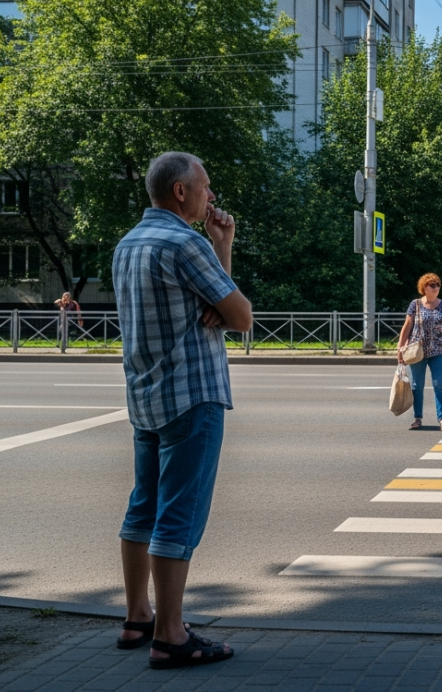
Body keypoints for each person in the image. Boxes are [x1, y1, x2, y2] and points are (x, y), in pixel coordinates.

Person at [112, 152, 252, 669]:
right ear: (180, 192)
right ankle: (171, 636)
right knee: (179, 512)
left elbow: (220, 307)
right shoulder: (184, 242)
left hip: (145, 396)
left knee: (142, 506)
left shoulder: (129, 244)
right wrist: (216, 260)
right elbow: (241, 316)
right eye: (206, 187)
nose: (211, 196)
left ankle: (137, 618)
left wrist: (222, 250)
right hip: (192, 394)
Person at [396, 273, 442, 431]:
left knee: (439, 384)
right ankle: (417, 418)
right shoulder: (416, 304)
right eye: (432, 285)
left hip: (439, 350)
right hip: (417, 351)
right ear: (424, 288)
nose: (436, 288)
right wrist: (400, 348)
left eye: (438, 285)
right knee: (416, 385)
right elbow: (407, 327)